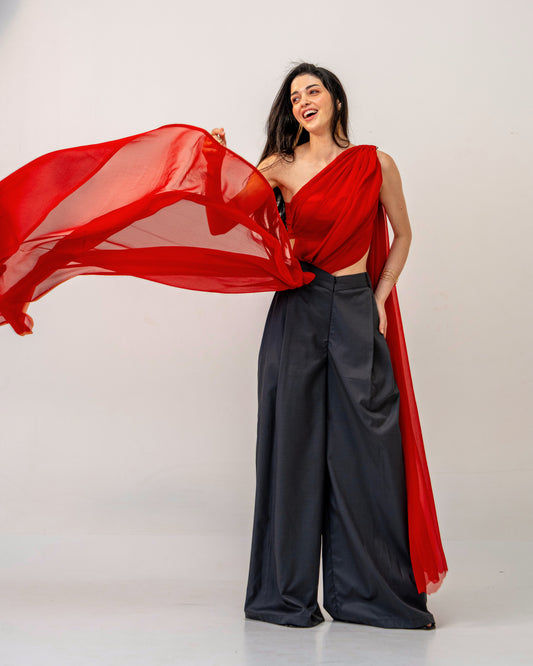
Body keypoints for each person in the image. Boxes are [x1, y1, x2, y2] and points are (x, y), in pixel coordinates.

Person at [211, 62, 441, 629]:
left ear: (335, 98)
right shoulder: (278, 165)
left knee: (369, 449)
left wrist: (380, 295)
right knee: (291, 447)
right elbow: (225, 222)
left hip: (357, 305)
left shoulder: (374, 163)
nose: (303, 101)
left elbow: (404, 233)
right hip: (299, 309)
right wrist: (217, 164)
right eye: (295, 97)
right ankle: (284, 595)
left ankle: (368, 595)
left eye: (313, 90)